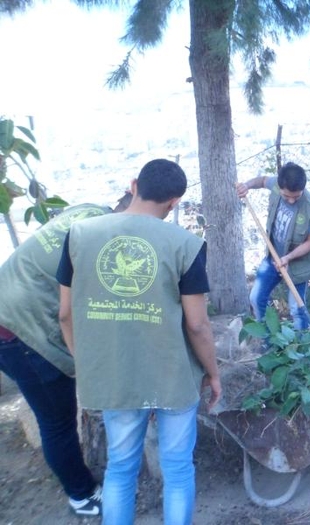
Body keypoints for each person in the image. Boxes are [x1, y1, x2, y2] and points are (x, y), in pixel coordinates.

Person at [57, 159, 222, 524]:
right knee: (177, 469)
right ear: (174, 201)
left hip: (115, 373)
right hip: (172, 374)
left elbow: (65, 314)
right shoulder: (186, 245)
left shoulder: (79, 235)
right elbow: (197, 325)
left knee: (120, 468)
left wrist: (87, 361)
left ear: (134, 185)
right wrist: (213, 373)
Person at [0, 193, 131, 517]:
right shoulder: (111, 244)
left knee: (55, 415)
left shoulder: (88, 210)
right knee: (57, 421)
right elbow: (79, 313)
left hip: (8, 309)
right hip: (22, 333)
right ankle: (81, 495)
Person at [236, 161, 310, 330]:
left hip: (297, 265)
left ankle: (302, 344)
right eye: (286, 196)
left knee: (297, 309)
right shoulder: (275, 185)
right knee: (256, 298)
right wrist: (246, 186)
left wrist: (288, 258)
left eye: (296, 197)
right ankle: (267, 339)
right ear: (279, 187)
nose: (291, 200)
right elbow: (262, 181)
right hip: (273, 257)